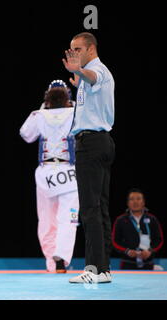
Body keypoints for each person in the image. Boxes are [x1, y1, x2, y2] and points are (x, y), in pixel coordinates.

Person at [63, 32, 116, 284]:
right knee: (100, 208)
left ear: (91, 50)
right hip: (99, 143)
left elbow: (94, 77)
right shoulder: (85, 76)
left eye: (77, 50)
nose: (73, 54)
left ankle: (94, 268)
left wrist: (81, 73)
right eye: (71, 50)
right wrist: (78, 81)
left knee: (90, 208)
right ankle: (103, 269)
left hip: (92, 144)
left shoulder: (97, 70)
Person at [20, 80, 79, 273]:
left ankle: (51, 263)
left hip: (46, 172)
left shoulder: (39, 115)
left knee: (46, 219)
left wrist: (42, 108)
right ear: (68, 97)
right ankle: (61, 257)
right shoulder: (75, 112)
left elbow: (26, 134)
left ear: (47, 97)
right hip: (68, 173)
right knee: (68, 218)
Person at [112, 189, 164, 270]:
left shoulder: (152, 219)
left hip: (148, 263)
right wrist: (127, 251)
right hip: (127, 264)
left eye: (138, 199)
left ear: (143, 202)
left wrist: (150, 251)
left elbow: (159, 240)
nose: (135, 202)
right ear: (128, 203)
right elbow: (114, 241)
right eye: (132, 199)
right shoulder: (121, 220)